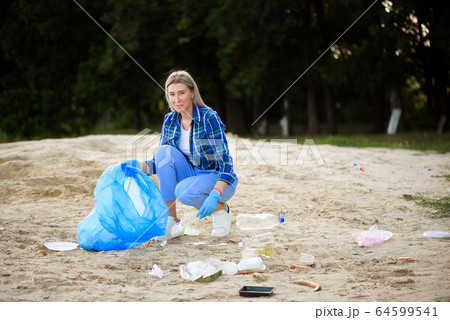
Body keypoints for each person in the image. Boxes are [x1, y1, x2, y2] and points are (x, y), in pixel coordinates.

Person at [139, 70, 238, 238]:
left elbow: (226, 163)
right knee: (163, 151)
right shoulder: (170, 120)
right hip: (192, 176)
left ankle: (222, 210)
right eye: (172, 94)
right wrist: (137, 166)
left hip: (218, 179)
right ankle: (171, 220)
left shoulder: (208, 117)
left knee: (184, 191)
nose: (176, 99)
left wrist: (215, 195)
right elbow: (161, 163)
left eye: (182, 93)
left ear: (192, 93)